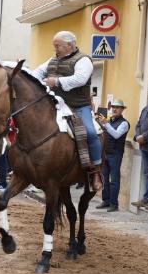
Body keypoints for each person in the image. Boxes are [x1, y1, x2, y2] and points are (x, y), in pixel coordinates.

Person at [32, 31, 103, 192]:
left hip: (78, 106)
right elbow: (36, 73)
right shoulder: (52, 60)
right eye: (54, 46)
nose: (55, 49)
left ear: (69, 45)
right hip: (56, 104)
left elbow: (80, 79)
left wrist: (56, 81)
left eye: (57, 46)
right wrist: (26, 76)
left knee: (90, 133)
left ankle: (96, 171)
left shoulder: (83, 60)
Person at [95, 99, 130, 211]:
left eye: (117, 107)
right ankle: (106, 201)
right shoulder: (108, 120)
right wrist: (100, 124)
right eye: (113, 107)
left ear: (122, 110)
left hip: (116, 154)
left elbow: (116, 135)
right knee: (104, 178)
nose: (114, 109)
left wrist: (106, 124)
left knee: (114, 180)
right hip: (105, 153)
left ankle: (114, 204)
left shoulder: (124, 123)